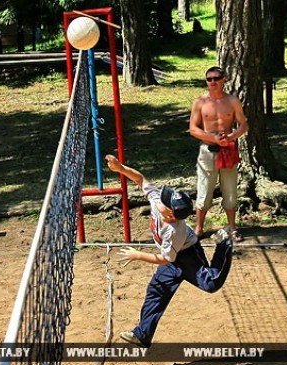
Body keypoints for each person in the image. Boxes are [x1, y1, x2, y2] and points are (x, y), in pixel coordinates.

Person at [105, 154, 233, 348]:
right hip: (171, 257)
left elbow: (165, 259)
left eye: (165, 202)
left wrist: (137, 255)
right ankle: (142, 335)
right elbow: (141, 179)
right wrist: (120, 168)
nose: (160, 201)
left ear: (171, 214)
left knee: (211, 284)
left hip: (187, 255)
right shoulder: (159, 203)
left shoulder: (175, 231)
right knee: (156, 290)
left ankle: (224, 243)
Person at [189, 66, 249, 242]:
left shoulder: (232, 101)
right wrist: (213, 138)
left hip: (228, 150)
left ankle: (233, 228)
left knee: (230, 190)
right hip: (207, 151)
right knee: (204, 191)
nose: (213, 82)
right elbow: (193, 129)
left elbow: (243, 125)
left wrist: (231, 137)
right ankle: (199, 229)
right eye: (209, 79)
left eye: (216, 78)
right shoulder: (200, 102)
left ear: (224, 79)